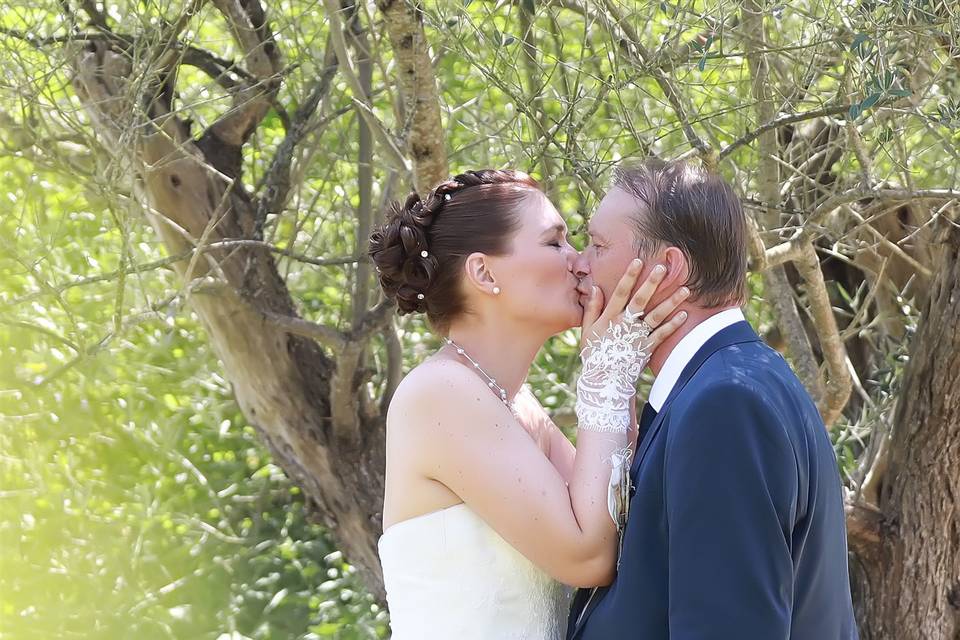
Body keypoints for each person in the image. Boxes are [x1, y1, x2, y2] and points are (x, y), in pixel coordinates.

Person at [368, 169, 688, 640]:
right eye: (555, 242)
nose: (580, 262)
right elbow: (587, 556)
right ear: (483, 272)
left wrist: (622, 365)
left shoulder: (516, 403)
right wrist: (606, 374)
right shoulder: (440, 394)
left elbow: (620, 522)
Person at [566, 158, 859, 640]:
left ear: (667, 267)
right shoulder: (729, 382)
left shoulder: (725, 404)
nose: (579, 263)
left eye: (597, 246)